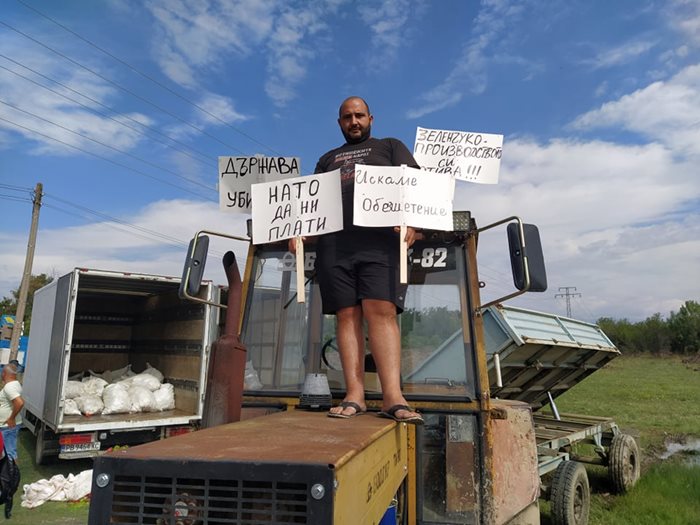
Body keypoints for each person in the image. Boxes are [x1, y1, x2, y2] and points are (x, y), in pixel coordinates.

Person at [293, 96, 423, 424]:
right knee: (346, 315)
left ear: (371, 119)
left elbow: (417, 187)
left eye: (359, 115)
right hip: (335, 246)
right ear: (339, 123)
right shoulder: (326, 159)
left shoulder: (391, 147)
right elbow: (312, 205)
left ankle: (392, 396)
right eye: (347, 117)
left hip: (379, 244)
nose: (354, 121)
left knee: (380, 311)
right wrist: (299, 232)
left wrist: (415, 223)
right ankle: (355, 395)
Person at [0, 362, 24, 460]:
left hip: (7, 427)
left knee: (9, 453)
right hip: (7, 426)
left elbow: (20, 402)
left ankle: (11, 474)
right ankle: (7, 473)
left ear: (4, 373)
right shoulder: (15, 384)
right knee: (6, 453)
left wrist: (11, 418)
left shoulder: (9, 387)